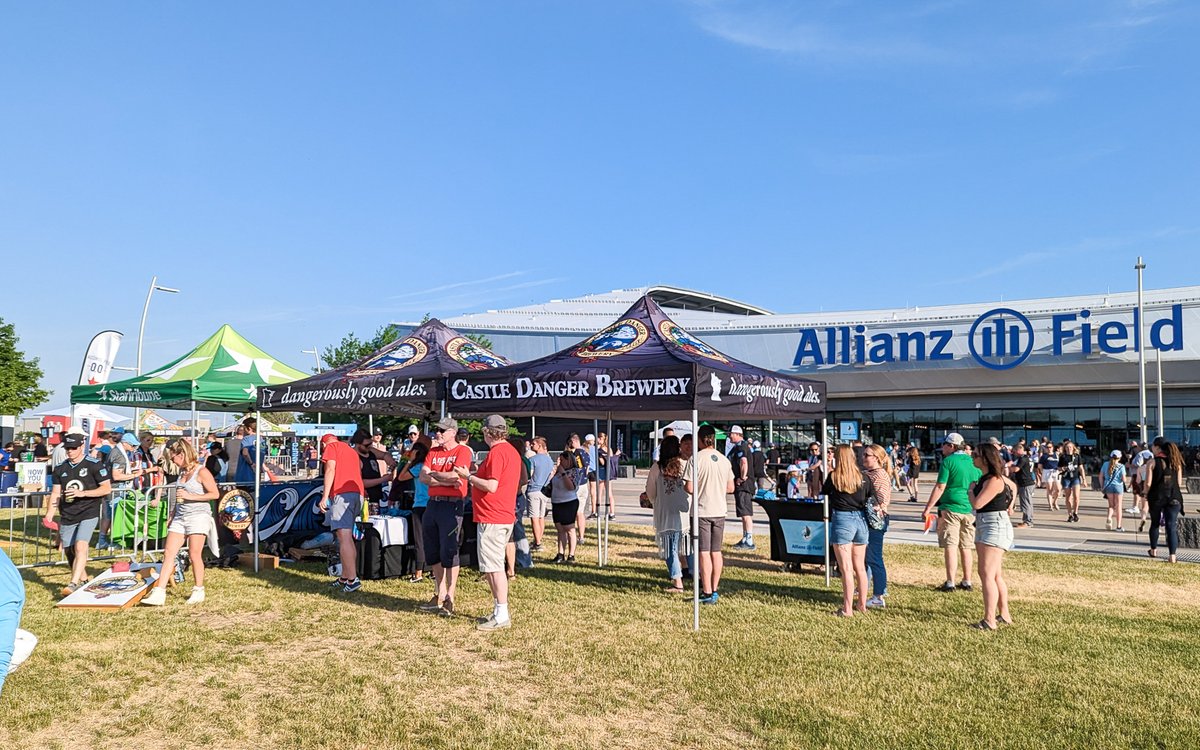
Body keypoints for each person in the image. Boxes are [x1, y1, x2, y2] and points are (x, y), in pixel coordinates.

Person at [456, 415, 520, 631]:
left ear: (487, 432)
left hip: (493, 516)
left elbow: (491, 486)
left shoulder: (497, 453)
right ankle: (498, 611)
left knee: (494, 567)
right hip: (501, 514)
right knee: (493, 566)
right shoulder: (510, 451)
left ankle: (502, 614)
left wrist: (468, 477)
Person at [142, 441, 219, 606]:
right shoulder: (182, 472)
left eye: (173, 458)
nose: (173, 462)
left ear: (182, 455)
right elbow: (179, 496)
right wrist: (172, 513)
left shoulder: (202, 471)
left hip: (198, 516)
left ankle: (198, 589)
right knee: (168, 552)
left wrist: (191, 497)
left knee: (194, 554)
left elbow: (214, 494)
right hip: (180, 516)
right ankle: (160, 591)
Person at [42, 433, 112, 596]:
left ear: (81, 447)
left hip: (89, 511)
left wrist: (83, 493)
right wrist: (49, 514)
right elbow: (56, 493)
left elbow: (106, 488)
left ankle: (73, 583)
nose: (70, 451)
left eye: (73, 448)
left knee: (81, 545)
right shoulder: (60, 468)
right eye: (67, 448)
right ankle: (85, 581)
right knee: (70, 551)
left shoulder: (94, 465)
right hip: (68, 513)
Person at [418, 417, 473, 616]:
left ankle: (450, 596)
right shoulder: (433, 451)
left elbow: (456, 476)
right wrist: (443, 479)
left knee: (449, 550)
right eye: (437, 430)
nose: (438, 433)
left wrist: (435, 475)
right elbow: (423, 477)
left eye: (442, 430)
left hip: (452, 505)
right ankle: (439, 593)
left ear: (452, 433)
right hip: (433, 504)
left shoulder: (462, 451)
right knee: (433, 551)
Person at [922, 432, 981, 593]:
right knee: (966, 546)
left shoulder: (948, 461)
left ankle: (950, 582)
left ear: (952, 446)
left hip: (951, 507)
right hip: (969, 508)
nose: (942, 448)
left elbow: (940, 486)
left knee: (951, 545)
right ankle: (967, 581)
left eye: (945, 445)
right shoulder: (973, 461)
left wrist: (928, 508)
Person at [684, 425, 735, 605]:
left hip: (702, 510)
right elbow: (731, 488)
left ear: (699, 439)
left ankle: (705, 590)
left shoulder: (696, 459)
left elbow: (689, 487)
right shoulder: (724, 460)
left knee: (703, 552)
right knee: (716, 551)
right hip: (719, 510)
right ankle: (714, 589)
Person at [971, 443, 1016, 630]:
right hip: (985, 524)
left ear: (986, 458)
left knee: (986, 574)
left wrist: (970, 490)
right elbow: (1013, 486)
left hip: (994, 525)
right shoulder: (987, 478)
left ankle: (989, 620)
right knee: (994, 574)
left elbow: (978, 504)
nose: (972, 457)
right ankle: (1004, 614)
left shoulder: (994, 480)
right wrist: (1010, 503)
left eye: (975, 455)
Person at [824, 444, 871, 617]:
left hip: (843, 519)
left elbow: (824, 491)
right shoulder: (863, 477)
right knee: (860, 567)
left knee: (846, 568)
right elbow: (869, 495)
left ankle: (847, 608)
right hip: (861, 520)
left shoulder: (834, 476)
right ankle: (862, 604)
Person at [318, 432, 365, 593]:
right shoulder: (351, 450)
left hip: (342, 494)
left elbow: (330, 469)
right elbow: (360, 467)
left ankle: (352, 579)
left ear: (323, 444)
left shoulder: (331, 447)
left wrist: (325, 496)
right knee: (346, 537)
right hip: (357, 494)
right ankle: (345, 576)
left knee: (344, 537)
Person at [643, 435, 691, 593]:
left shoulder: (657, 467)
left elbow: (650, 492)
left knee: (670, 548)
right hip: (684, 512)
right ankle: (694, 574)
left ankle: (677, 581)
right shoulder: (685, 464)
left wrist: (654, 501)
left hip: (665, 512)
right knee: (687, 546)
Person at [96, 428, 146, 551]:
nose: (134, 448)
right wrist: (135, 475)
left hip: (110, 488)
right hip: (117, 490)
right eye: (133, 445)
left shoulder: (114, 451)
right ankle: (115, 542)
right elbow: (117, 476)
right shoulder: (119, 455)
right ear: (125, 443)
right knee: (116, 517)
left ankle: (101, 541)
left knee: (107, 516)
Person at [862, 444, 894, 609]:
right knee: (866, 557)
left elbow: (882, 499)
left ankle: (879, 596)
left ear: (876, 458)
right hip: (869, 520)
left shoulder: (879, 475)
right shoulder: (869, 473)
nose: (863, 457)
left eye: (867, 455)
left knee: (874, 558)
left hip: (875, 520)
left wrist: (872, 504)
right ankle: (864, 586)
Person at [395, 439, 430, 582]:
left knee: (419, 540)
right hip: (432, 504)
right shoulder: (428, 466)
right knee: (431, 538)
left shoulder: (418, 467)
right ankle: (433, 570)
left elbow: (401, 477)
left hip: (420, 505)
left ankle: (418, 572)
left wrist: (409, 461)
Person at [1144, 439, 1185, 563]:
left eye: (1152, 446)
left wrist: (1145, 493)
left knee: (1155, 524)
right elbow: (1179, 483)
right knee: (1171, 526)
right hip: (1174, 497)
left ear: (1157, 448)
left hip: (1157, 497)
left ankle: (1153, 550)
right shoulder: (1176, 462)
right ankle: (1172, 556)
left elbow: (1148, 483)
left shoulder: (1152, 462)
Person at [726, 426, 755, 550]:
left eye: (731, 433)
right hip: (742, 485)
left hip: (744, 485)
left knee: (746, 513)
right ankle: (745, 538)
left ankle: (749, 541)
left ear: (738, 434)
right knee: (742, 512)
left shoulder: (741, 446)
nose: (729, 436)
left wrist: (742, 478)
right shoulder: (738, 446)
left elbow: (743, 462)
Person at [549, 451, 579, 563]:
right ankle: (560, 554)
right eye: (559, 460)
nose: (560, 462)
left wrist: (563, 473)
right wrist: (553, 473)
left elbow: (571, 487)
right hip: (556, 502)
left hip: (569, 502)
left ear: (568, 460)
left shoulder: (574, 471)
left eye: (562, 460)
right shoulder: (558, 471)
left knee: (569, 528)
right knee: (560, 529)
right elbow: (550, 483)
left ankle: (571, 555)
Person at [354, 430, 396, 510]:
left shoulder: (370, 451)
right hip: (364, 499)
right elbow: (360, 482)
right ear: (358, 444)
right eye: (366, 445)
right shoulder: (355, 457)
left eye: (371, 444)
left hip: (375, 496)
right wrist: (384, 479)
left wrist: (390, 461)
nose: (369, 447)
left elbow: (384, 455)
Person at [526, 437, 554, 552]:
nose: (531, 446)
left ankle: (537, 543)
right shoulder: (549, 460)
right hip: (544, 491)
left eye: (533, 444)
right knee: (541, 517)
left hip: (534, 490)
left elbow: (530, 475)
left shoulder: (532, 460)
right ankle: (538, 539)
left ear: (539, 445)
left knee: (534, 517)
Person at [567, 434, 591, 544]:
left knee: (572, 512)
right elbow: (587, 469)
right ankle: (581, 536)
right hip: (584, 484)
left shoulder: (574, 453)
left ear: (573, 442)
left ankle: (571, 535)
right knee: (580, 512)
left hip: (575, 485)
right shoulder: (585, 453)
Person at [595, 432, 621, 521]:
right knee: (609, 493)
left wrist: (598, 455)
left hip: (602, 471)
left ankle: (597, 512)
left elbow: (602, 462)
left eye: (598, 438)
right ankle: (612, 513)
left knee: (599, 493)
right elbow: (612, 460)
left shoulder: (599, 449)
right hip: (609, 472)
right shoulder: (609, 449)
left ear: (601, 439)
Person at [1010, 442, 1036, 528]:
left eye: (1014, 451)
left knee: (1026, 503)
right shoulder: (1022, 458)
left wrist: (1008, 467)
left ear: (1019, 450)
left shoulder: (1023, 458)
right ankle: (1027, 520)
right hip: (1024, 483)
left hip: (1026, 483)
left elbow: (1016, 469)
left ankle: (1028, 521)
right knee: (1027, 502)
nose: (1013, 453)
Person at [1059, 440, 1085, 523]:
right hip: (1066, 478)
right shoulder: (1062, 457)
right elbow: (1059, 467)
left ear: (1073, 448)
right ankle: (1070, 514)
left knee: (1076, 496)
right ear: (1065, 448)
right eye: (1067, 447)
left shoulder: (1077, 456)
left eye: (1070, 447)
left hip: (1075, 478)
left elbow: (1081, 468)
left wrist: (1084, 479)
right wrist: (1062, 468)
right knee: (1068, 497)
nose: (1069, 448)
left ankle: (1075, 513)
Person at [1101, 450, 1127, 532]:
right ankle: (1118, 526)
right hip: (1118, 487)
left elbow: (1100, 476)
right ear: (1119, 458)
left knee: (1111, 505)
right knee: (1118, 506)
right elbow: (1124, 479)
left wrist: (1102, 486)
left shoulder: (1105, 464)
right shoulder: (1121, 466)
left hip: (1108, 486)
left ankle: (1109, 517)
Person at [234, 418, 259, 485]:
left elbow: (245, 453)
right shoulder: (261, 439)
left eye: (244, 428)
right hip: (256, 476)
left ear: (249, 429)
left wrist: (251, 464)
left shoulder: (247, 439)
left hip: (244, 475)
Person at [1039, 442, 1061, 511]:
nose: (1049, 449)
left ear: (1053, 447)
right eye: (1047, 447)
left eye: (1050, 447)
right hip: (1047, 471)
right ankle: (1050, 505)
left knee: (1058, 489)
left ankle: (1055, 502)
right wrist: (1042, 472)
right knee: (1050, 489)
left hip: (1056, 472)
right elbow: (1040, 465)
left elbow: (1060, 463)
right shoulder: (1044, 456)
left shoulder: (1056, 455)